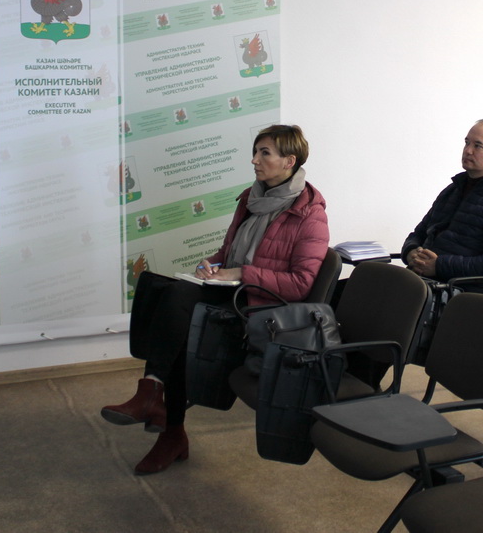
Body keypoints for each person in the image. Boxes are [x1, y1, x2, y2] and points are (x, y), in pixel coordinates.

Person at [100, 124, 329, 474]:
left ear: (289, 161)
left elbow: (300, 284)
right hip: (233, 293)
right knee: (167, 293)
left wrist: (241, 273)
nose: (254, 160)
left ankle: (160, 411)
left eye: (264, 153)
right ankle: (156, 402)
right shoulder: (250, 198)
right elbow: (227, 253)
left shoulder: (310, 213)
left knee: (184, 318)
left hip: (263, 310)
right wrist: (211, 265)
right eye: (255, 152)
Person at [402, 118, 483, 284]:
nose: (468, 151)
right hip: (421, 281)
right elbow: (418, 234)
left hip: (461, 291)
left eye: (478, 146)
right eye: (466, 143)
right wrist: (411, 252)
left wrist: (439, 266)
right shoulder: (453, 190)